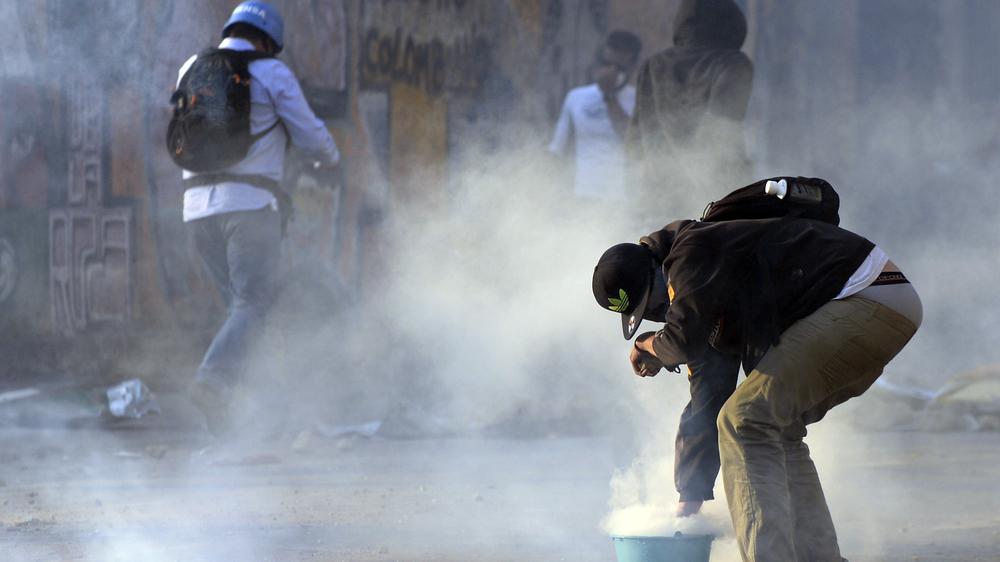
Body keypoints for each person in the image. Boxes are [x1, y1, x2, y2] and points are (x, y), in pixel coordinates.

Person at [593, 213, 921, 562]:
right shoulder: (703, 298)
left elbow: (682, 340)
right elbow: (707, 401)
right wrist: (689, 504)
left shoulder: (690, 252)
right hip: (881, 302)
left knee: (745, 420)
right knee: (776, 427)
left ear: (655, 266)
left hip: (864, 295)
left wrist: (649, 347)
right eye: (650, 311)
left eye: (654, 297)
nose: (660, 308)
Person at [179, 1, 340, 433]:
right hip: (249, 209)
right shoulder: (270, 73)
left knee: (240, 312)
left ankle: (237, 422)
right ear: (268, 41)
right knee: (253, 304)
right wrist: (332, 158)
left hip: (195, 210)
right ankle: (212, 382)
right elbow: (311, 136)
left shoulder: (192, 67)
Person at [626, 0, 753, 220]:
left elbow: (633, 143)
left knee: (662, 251)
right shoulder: (734, 64)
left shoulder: (652, 65)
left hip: (657, 195)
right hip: (716, 198)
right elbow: (724, 132)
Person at [548, 31, 643, 205]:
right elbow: (557, 150)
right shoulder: (576, 97)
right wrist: (555, 194)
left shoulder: (639, 99)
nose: (611, 71)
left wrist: (610, 97)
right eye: (607, 63)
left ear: (632, 67)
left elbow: (633, 141)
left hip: (622, 201)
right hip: (582, 197)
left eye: (620, 67)